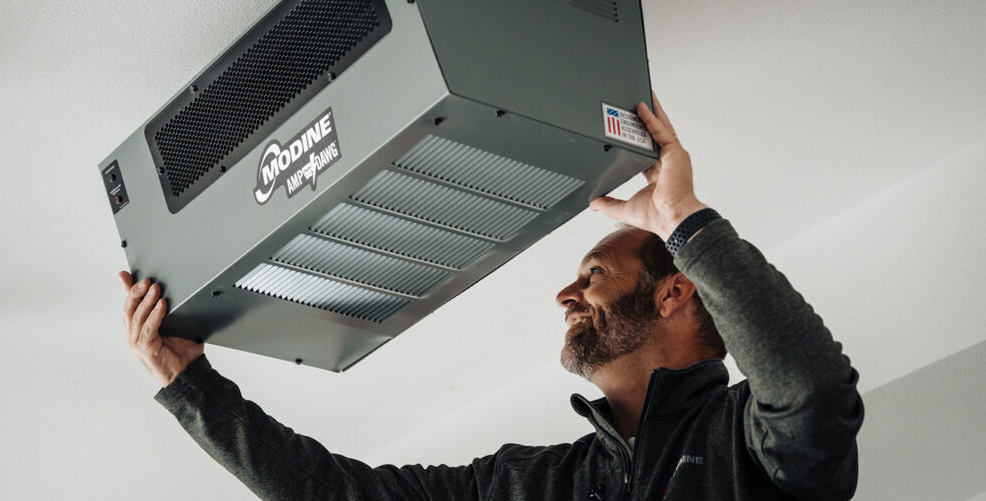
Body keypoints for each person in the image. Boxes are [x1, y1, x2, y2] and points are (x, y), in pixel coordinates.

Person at [120, 93, 863, 500]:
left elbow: (812, 388)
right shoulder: (532, 485)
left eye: (593, 274)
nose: (567, 293)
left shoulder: (748, 448)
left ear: (674, 295)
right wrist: (192, 387)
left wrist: (681, 221)